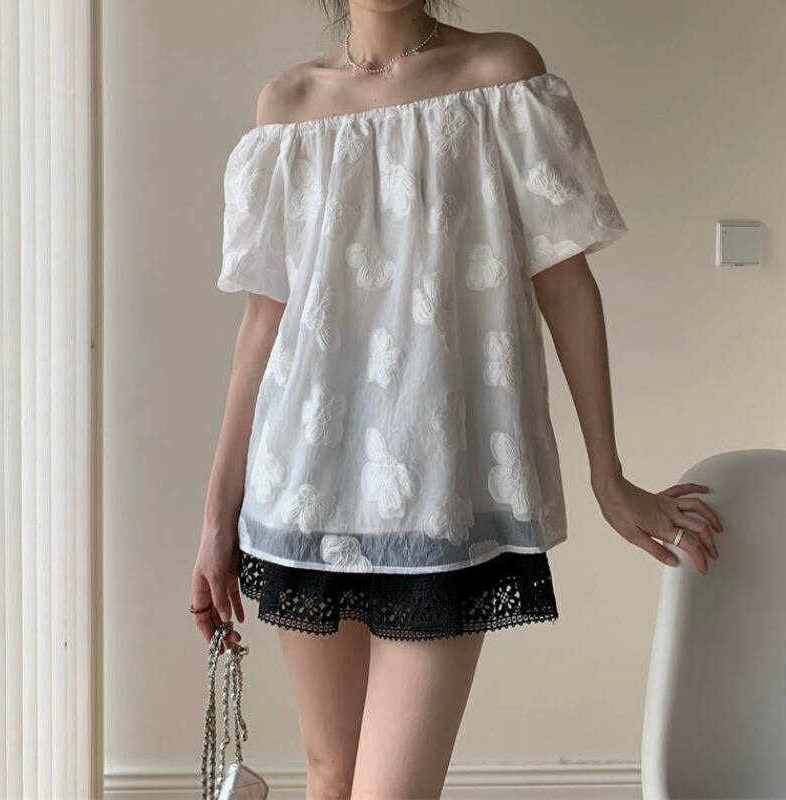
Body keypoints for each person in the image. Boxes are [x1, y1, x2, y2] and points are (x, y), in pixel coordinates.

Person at [191, 2, 724, 797]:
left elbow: (565, 285)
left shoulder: (500, 77)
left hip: (443, 498)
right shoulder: (287, 106)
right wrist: (216, 521)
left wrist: (607, 475)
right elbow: (263, 325)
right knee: (329, 772)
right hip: (301, 493)